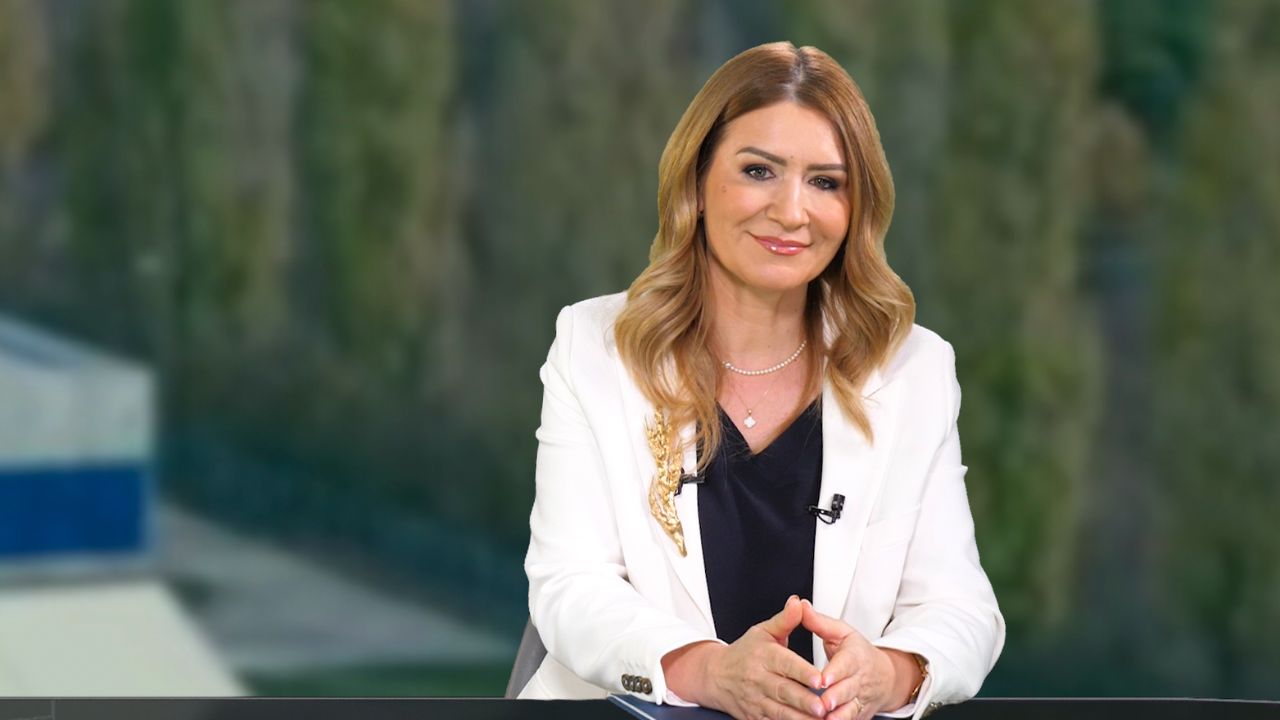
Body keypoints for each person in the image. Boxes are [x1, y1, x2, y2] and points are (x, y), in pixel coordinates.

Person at [516, 41, 1004, 720]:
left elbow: (960, 609)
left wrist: (888, 674)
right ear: (696, 183)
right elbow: (570, 585)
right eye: (758, 171)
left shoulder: (913, 369)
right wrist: (710, 672)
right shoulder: (594, 346)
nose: (792, 211)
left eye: (826, 182)